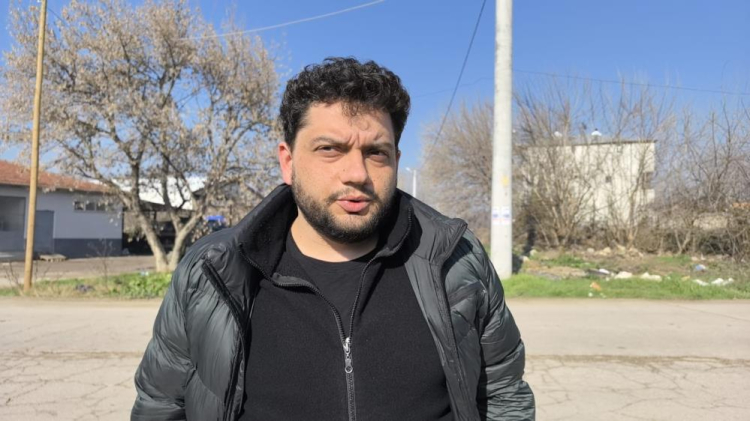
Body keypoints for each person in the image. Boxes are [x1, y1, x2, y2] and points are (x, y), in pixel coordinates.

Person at [131, 57, 535, 421]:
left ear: (396, 161)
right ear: (288, 161)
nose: (357, 173)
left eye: (376, 153)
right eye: (330, 149)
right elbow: (161, 406)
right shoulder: (214, 271)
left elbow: (503, 396)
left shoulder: (455, 260)